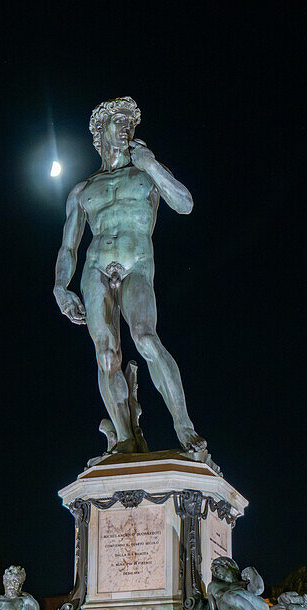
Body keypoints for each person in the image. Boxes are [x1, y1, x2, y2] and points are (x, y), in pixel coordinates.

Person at [54, 97, 206, 456]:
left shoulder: (145, 173)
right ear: (101, 130)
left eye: (130, 123)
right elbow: (68, 248)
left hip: (136, 263)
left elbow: (184, 204)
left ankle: (185, 429)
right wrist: (61, 287)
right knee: (107, 355)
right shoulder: (82, 190)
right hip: (95, 268)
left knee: (145, 337)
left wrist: (151, 164)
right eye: (118, 122)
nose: (126, 129)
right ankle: (125, 437)